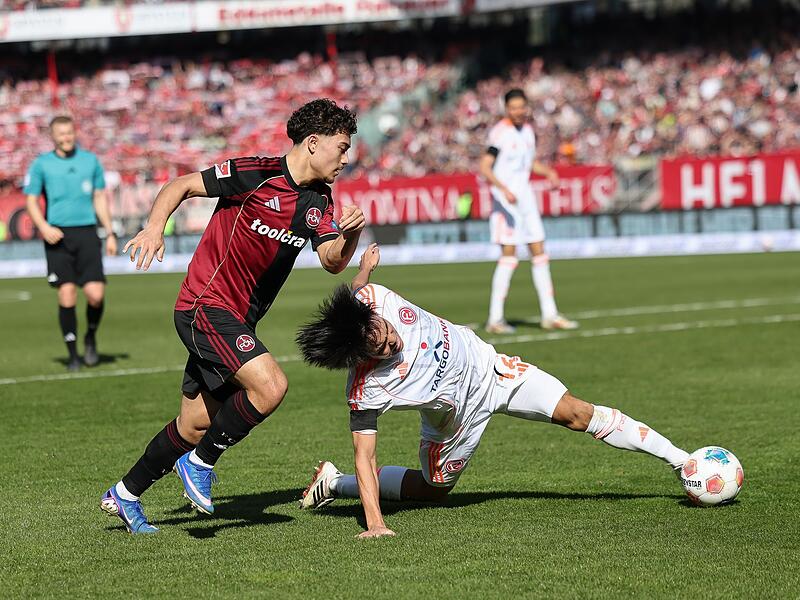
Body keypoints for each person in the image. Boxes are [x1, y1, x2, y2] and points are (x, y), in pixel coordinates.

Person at [100, 98, 366, 534]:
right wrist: (153, 226)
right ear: (313, 143)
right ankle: (201, 464)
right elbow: (180, 186)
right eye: (341, 147)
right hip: (205, 305)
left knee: (194, 423)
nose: (345, 157)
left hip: (237, 321)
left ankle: (125, 494)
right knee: (272, 385)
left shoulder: (319, 201)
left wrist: (350, 234)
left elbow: (332, 260)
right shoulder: (253, 173)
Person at [296, 244, 688, 538]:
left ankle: (681, 461)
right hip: (456, 423)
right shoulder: (366, 389)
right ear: (358, 356)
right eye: (377, 350)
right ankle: (333, 483)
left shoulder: (372, 299)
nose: (390, 345)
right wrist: (376, 524)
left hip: (493, 370)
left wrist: (364, 267)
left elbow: (355, 292)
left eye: (384, 334)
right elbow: (366, 456)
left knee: (576, 413)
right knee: (432, 492)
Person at [479, 88, 577, 334]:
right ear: (506, 109)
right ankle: (495, 319)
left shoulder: (529, 132)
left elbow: (528, 162)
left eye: (521, 107)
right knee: (509, 256)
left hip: (526, 199)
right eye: (513, 108)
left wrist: (549, 172)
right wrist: (503, 189)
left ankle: (550, 315)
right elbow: (485, 166)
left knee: (539, 251)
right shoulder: (500, 133)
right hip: (505, 201)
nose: (519, 111)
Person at [24, 116, 116, 371]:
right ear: (53, 136)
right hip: (58, 235)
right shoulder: (41, 164)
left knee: (96, 296)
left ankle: (90, 337)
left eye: (69, 133)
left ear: (75, 133)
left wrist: (109, 232)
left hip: (87, 232)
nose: (66, 137)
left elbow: (99, 197)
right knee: (67, 294)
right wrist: (44, 227)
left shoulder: (90, 161)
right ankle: (73, 355)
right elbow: (31, 201)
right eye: (61, 134)